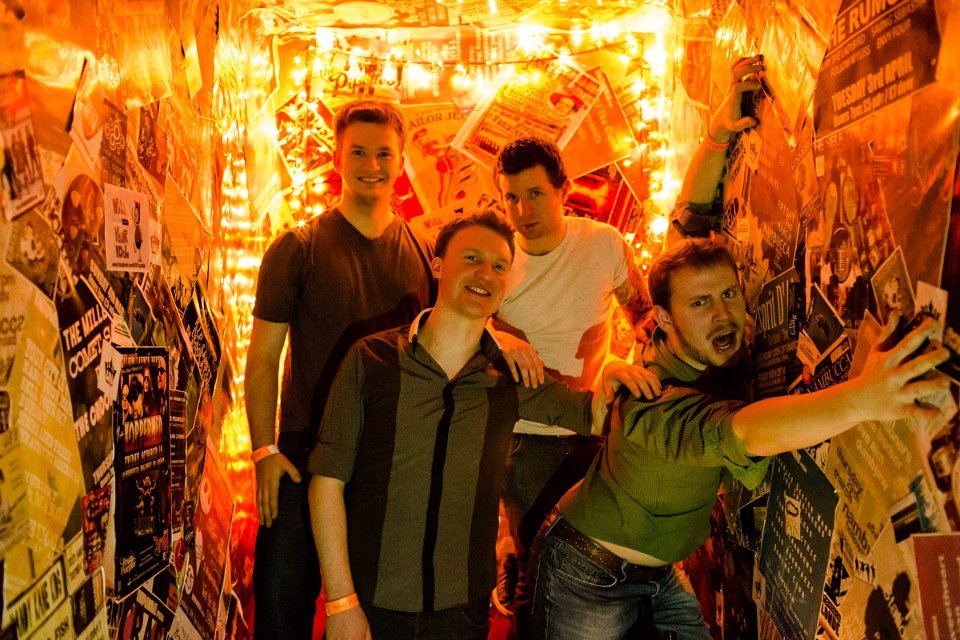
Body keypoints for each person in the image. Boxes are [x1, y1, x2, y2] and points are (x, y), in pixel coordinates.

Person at [525, 58, 954, 638]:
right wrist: (866, 397)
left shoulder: (682, 332)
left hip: (656, 573)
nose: (723, 314)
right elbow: (745, 432)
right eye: (701, 304)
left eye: (729, 294)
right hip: (586, 573)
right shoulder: (650, 401)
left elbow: (688, 222)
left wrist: (718, 132)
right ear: (663, 319)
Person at [308, 212, 628, 640]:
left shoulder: (511, 376)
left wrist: (614, 370)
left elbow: (594, 415)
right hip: (371, 604)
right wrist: (341, 601)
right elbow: (327, 482)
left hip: (461, 613)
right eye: (472, 258)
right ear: (438, 265)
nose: (486, 274)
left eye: (499, 266)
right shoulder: (371, 360)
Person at [246, 99, 434, 639]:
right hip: (301, 460)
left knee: (368, 624)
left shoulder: (425, 251)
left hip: (387, 468)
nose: (371, 165)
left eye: (384, 154)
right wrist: (263, 452)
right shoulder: (297, 247)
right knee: (281, 614)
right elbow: (263, 357)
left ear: (400, 160)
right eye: (358, 152)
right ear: (337, 157)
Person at [490, 137, 659, 621]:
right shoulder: (497, 257)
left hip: (593, 426)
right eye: (511, 197)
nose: (523, 210)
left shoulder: (603, 243)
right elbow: (459, 324)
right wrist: (496, 336)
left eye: (535, 194)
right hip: (524, 437)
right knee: (539, 568)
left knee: (600, 560)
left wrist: (633, 374)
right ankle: (512, 558)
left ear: (563, 191)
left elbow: (643, 315)